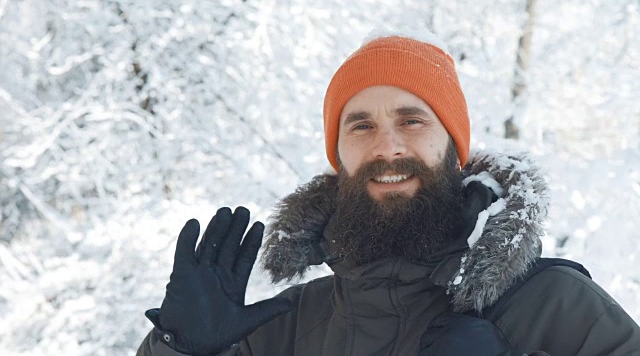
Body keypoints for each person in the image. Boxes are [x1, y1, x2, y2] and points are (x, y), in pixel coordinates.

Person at [137, 30, 640, 356]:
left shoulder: (557, 306)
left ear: (454, 148)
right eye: (360, 127)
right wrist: (179, 349)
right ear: (339, 160)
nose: (388, 146)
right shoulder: (282, 329)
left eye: (412, 120)